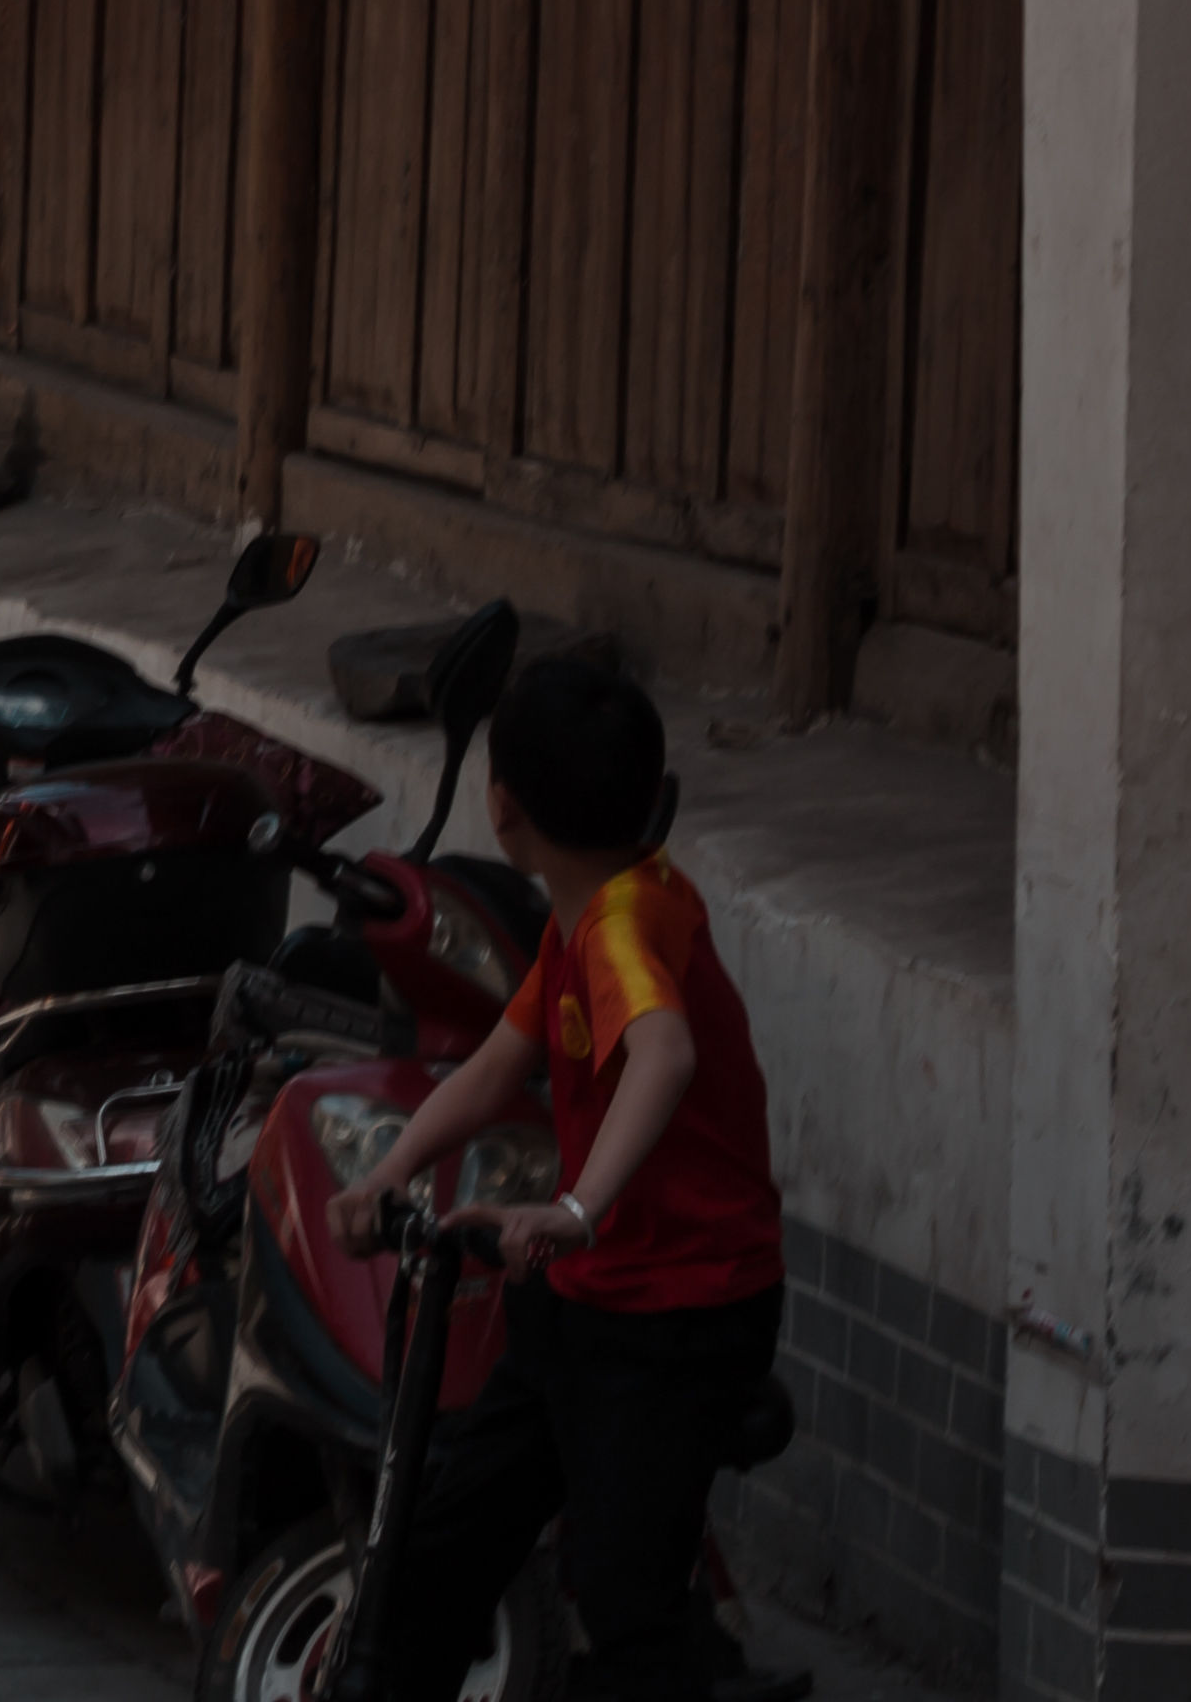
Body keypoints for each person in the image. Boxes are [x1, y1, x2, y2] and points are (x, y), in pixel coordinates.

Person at [326, 657, 808, 1702]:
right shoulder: (588, 914)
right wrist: (393, 1171)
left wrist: (576, 1209)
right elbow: (501, 1065)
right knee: (436, 1557)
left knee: (627, 1617)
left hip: (682, 1309)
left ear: (502, 810)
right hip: (586, 1303)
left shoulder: (631, 925)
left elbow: (664, 1053)